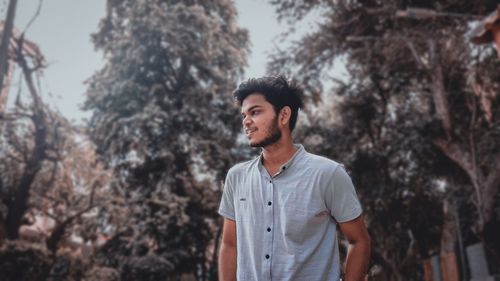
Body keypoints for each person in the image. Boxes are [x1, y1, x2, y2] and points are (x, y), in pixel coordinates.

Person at [218, 75, 371, 281]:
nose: (246, 121)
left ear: (283, 115)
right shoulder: (236, 177)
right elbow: (230, 244)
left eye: (255, 112)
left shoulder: (328, 174)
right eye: (244, 114)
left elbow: (359, 241)